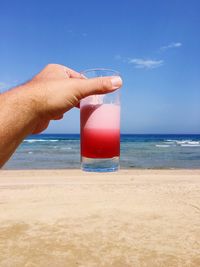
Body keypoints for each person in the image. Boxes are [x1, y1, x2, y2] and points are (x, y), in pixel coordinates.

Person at [0, 64, 122, 167]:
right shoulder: (89, 103)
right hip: (89, 159)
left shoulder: (113, 107)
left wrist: (35, 107)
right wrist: (36, 102)